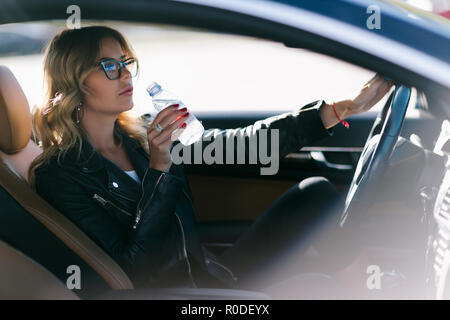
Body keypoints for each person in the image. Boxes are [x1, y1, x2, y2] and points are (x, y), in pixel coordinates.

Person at [29, 26, 394, 291]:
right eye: (108, 66)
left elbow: (244, 146)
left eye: (126, 62)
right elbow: (134, 269)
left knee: (316, 192)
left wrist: (341, 109)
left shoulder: (141, 136)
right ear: (75, 82)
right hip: (179, 295)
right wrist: (160, 169)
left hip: (208, 276)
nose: (125, 74)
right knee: (319, 287)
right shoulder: (59, 175)